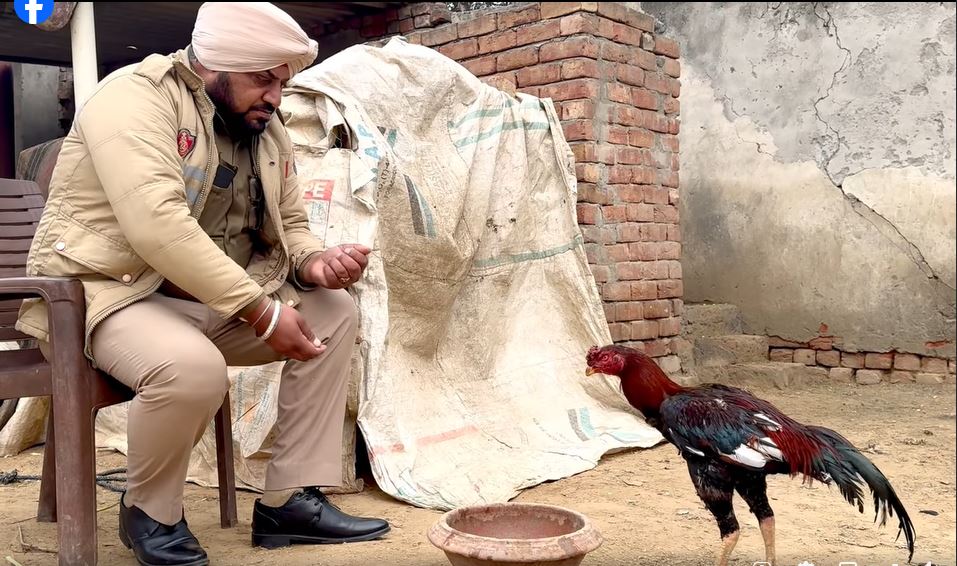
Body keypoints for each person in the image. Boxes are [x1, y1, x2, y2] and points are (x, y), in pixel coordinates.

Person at [16, 3, 390, 565]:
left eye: (282, 82)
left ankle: (289, 502)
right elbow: (156, 226)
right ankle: (150, 513)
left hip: (206, 300)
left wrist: (315, 264)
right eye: (263, 80)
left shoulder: (266, 129)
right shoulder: (132, 98)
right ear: (215, 66)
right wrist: (261, 313)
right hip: (107, 294)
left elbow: (291, 225)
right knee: (193, 369)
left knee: (332, 312)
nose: (275, 96)